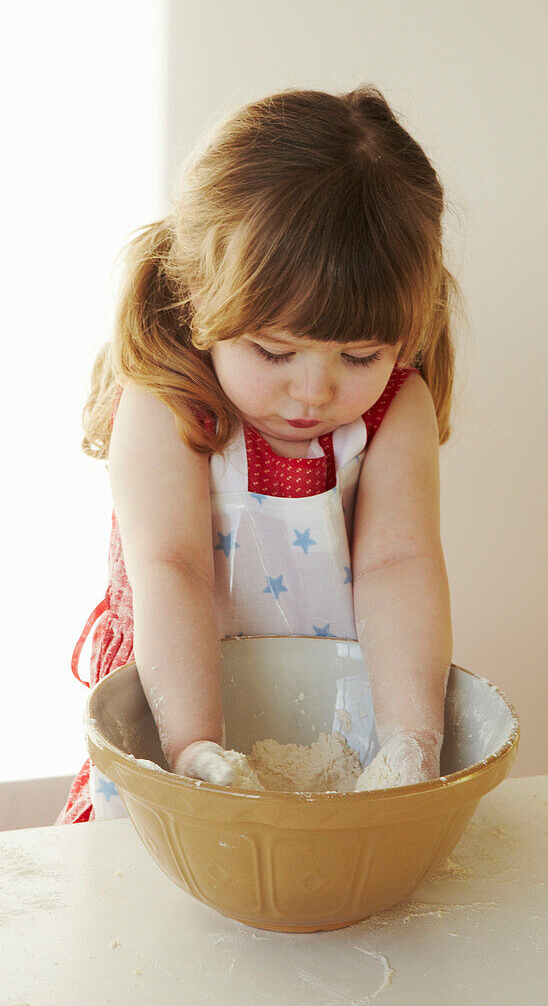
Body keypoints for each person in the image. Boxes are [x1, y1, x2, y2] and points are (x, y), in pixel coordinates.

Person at [57, 84, 463, 823]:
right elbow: (173, 569)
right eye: (275, 351)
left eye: (361, 354)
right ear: (199, 300)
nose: (314, 391)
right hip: (180, 686)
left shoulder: (390, 409)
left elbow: (398, 565)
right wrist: (194, 752)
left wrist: (412, 742)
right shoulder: (168, 402)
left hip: (329, 705)